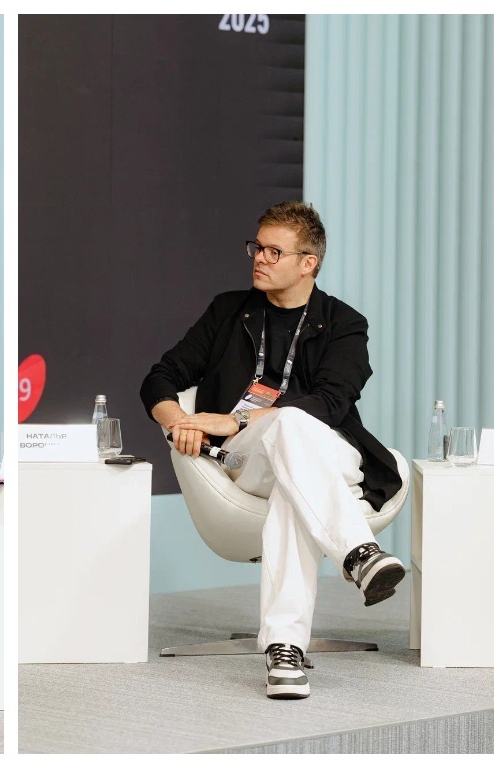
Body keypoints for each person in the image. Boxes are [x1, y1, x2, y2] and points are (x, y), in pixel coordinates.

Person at [140, 201, 405, 700]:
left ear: (308, 263)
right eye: (257, 247)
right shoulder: (228, 311)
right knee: (288, 447)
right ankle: (358, 554)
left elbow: (330, 402)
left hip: (331, 453)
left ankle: (285, 650)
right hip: (248, 459)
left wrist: (235, 419)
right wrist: (179, 422)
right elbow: (161, 377)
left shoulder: (345, 323)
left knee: (294, 438)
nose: (259, 258)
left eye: (273, 251)